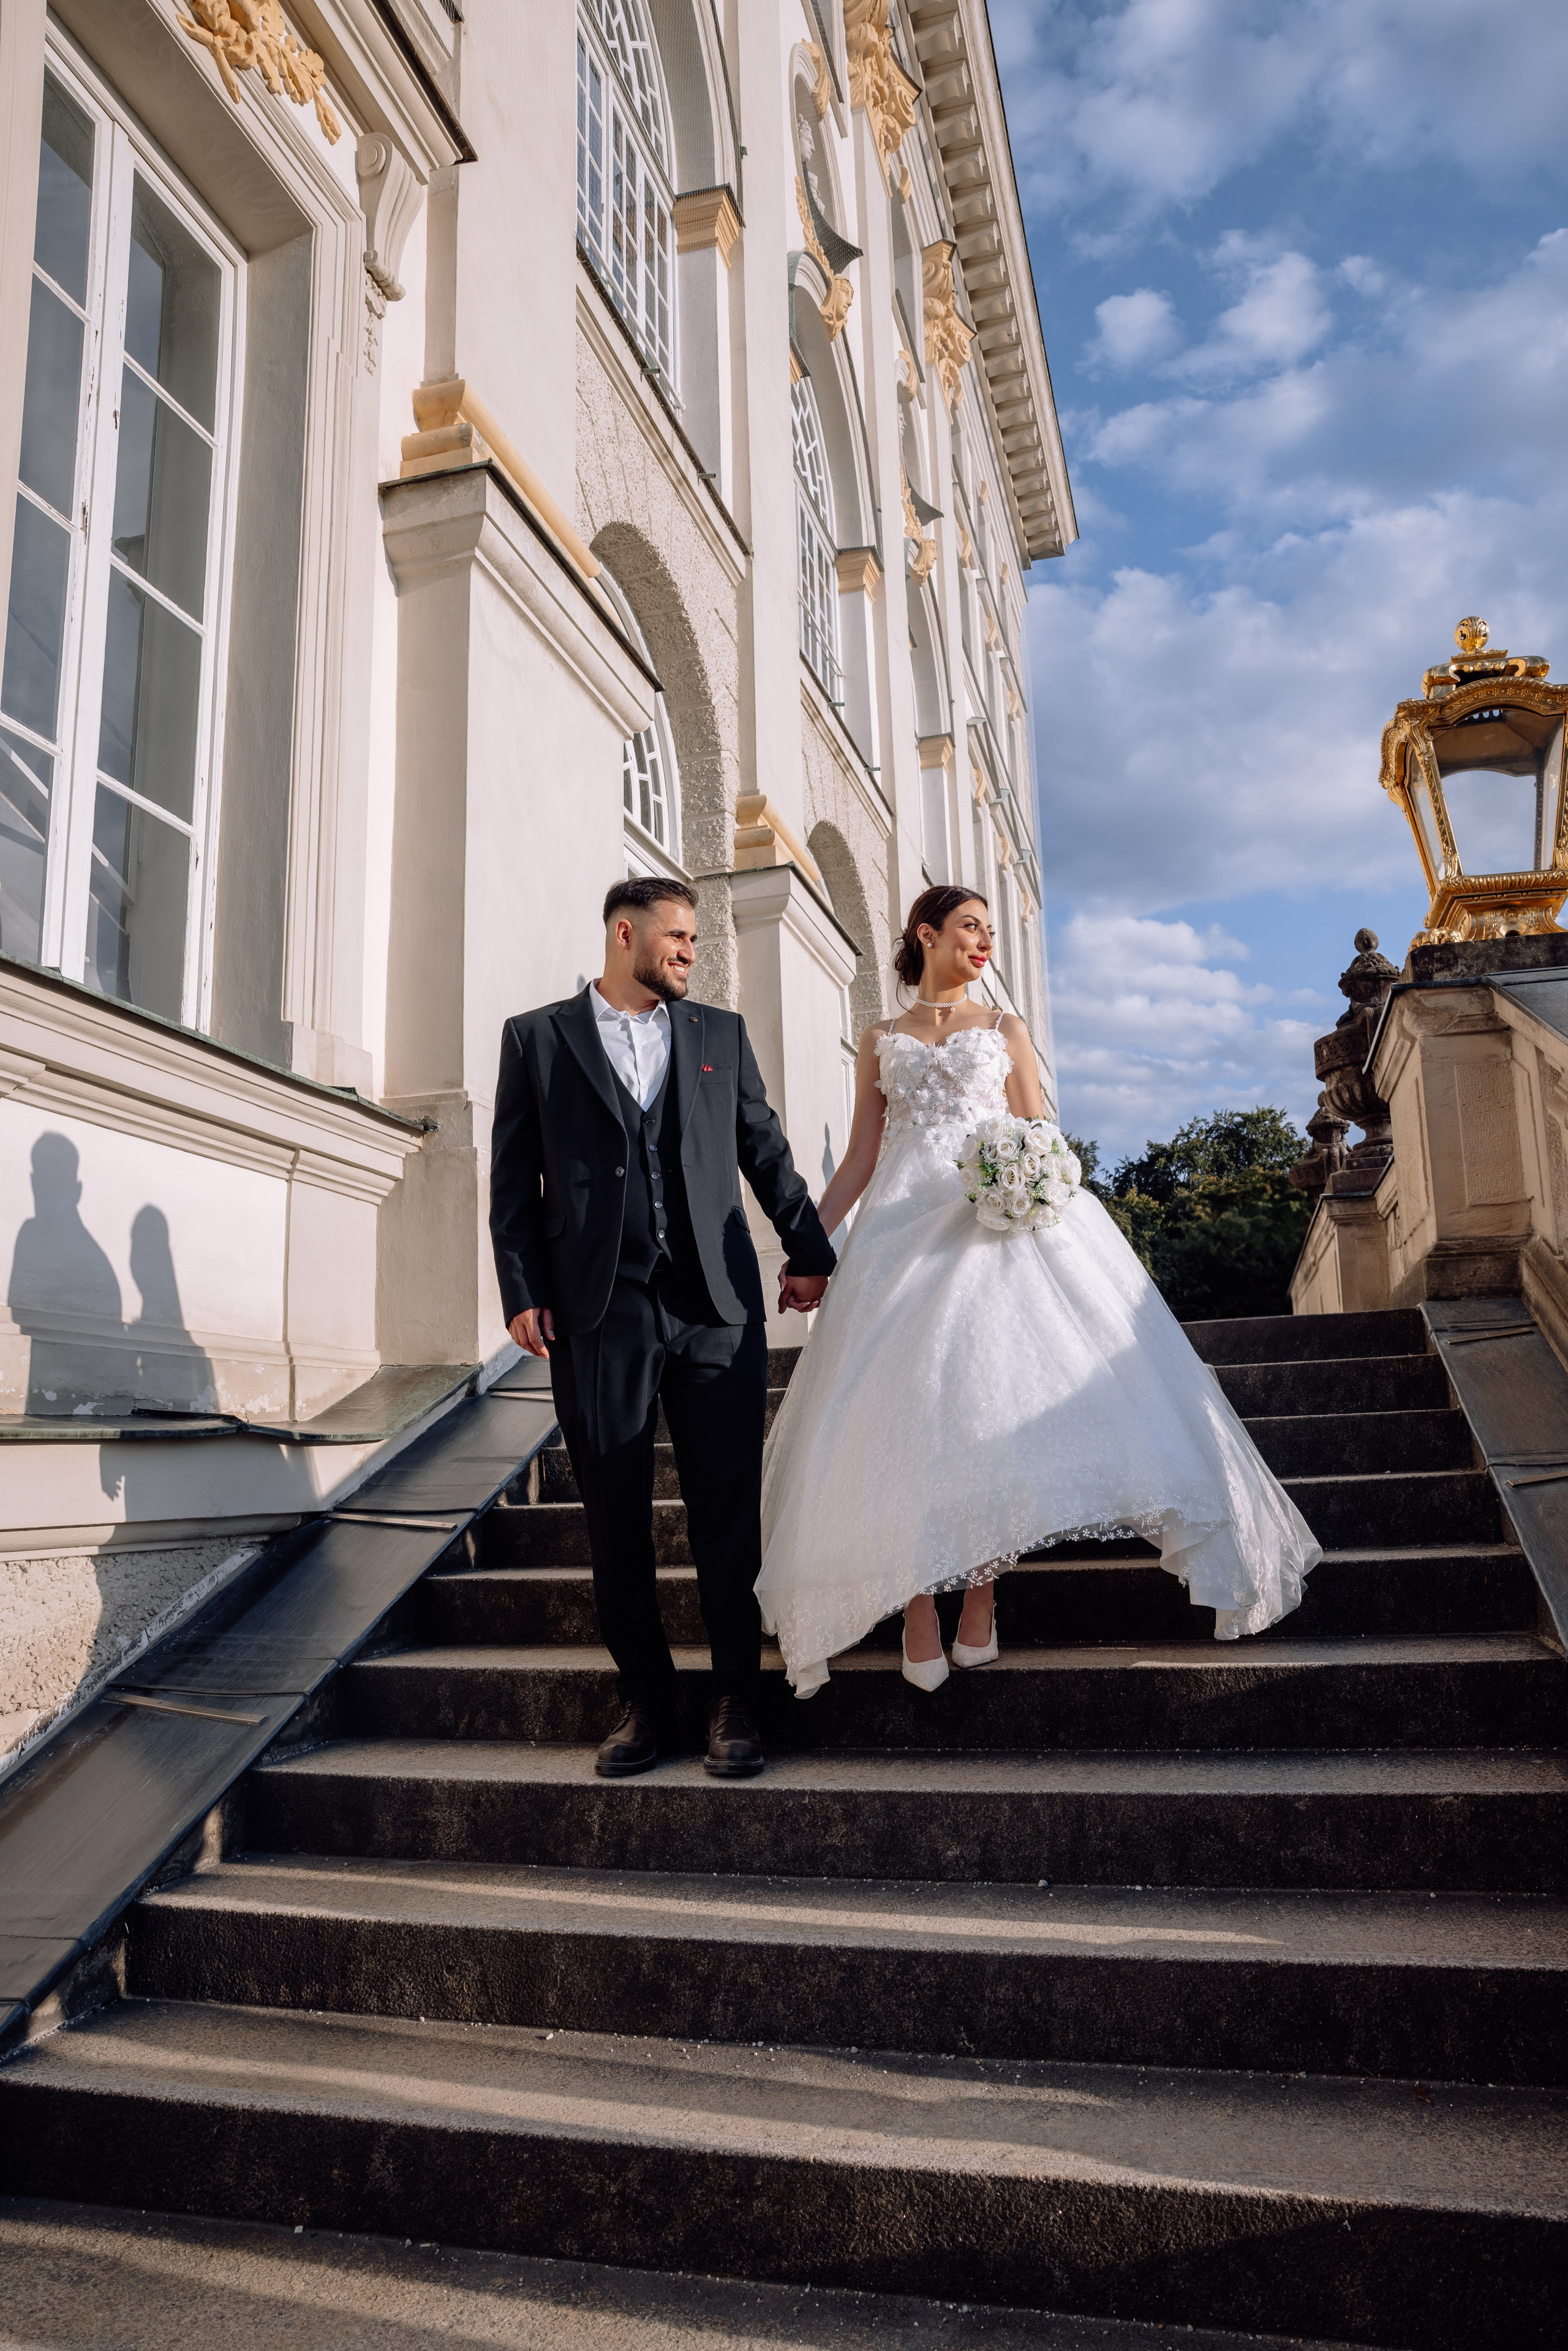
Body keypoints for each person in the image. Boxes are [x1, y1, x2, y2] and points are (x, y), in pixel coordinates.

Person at [756, 884, 1321, 1697]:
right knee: (908, 1408)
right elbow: (859, 1157)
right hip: (900, 1231)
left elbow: (1040, 1134)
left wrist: (1030, 1183)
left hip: (991, 1225)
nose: (985, 941)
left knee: (988, 1406)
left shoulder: (1004, 1028)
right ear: (927, 934)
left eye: (990, 928)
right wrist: (808, 1246)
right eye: (970, 927)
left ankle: (980, 1596)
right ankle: (918, 1603)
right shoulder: (882, 1037)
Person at [490, 877, 835, 1779]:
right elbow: (513, 1179)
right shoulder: (537, 1038)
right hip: (597, 1311)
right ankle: (643, 1697)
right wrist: (520, 1286)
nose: (689, 951)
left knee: (726, 1513)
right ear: (623, 933)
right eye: (676, 936)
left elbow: (764, 1147)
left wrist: (810, 1250)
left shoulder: (718, 1035)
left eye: (693, 939)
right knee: (614, 1515)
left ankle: (734, 1699)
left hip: (715, 1306)